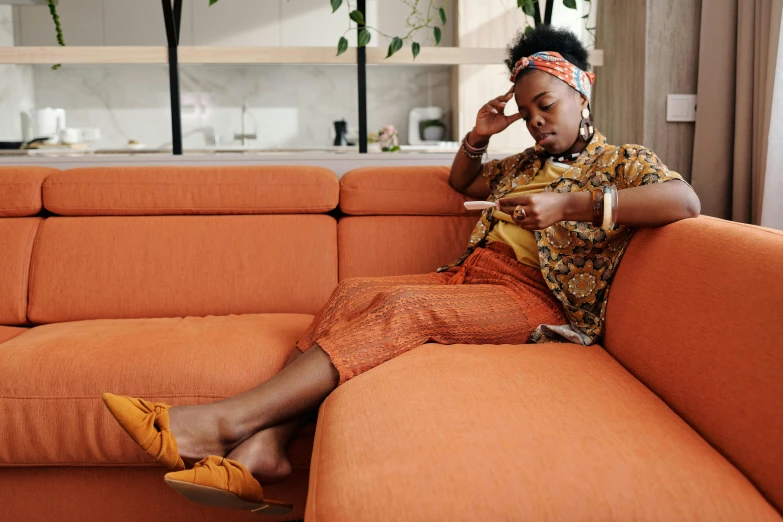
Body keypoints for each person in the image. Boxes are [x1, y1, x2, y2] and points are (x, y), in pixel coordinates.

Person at [102, 25, 700, 514]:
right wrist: (478, 134)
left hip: (538, 300)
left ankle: (222, 421)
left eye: (546, 105)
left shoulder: (619, 161)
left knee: (402, 309)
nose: (538, 120)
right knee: (354, 291)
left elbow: (684, 202)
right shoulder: (521, 163)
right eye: (526, 110)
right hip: (474, 276)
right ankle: (265, 449)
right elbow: (461, 181)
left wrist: (572, 203)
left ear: (581, 92)